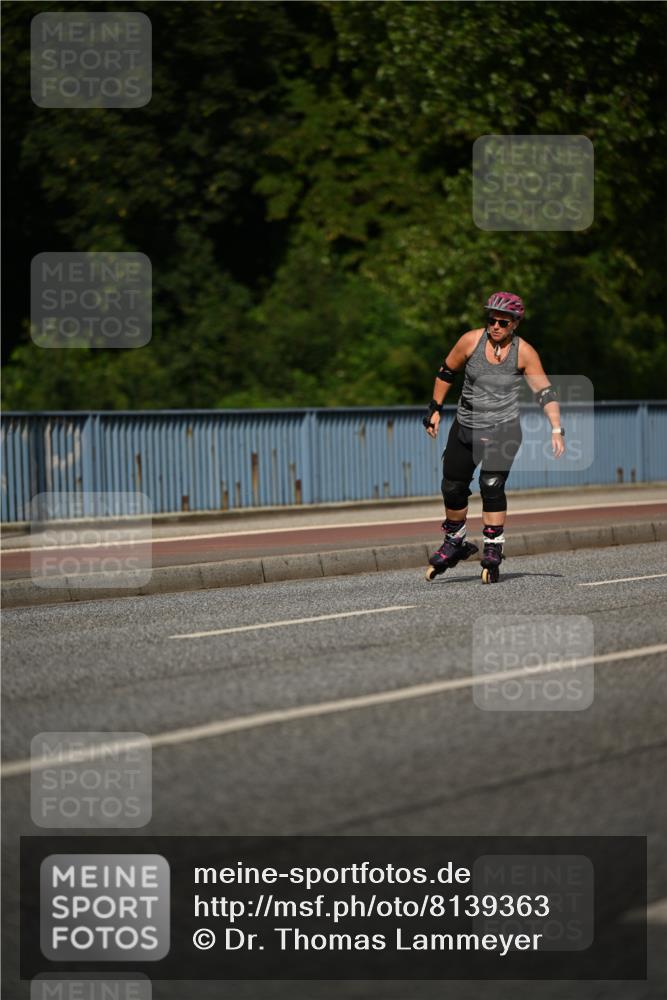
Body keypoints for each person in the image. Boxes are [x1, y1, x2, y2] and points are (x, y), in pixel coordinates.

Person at [423, 291, 565, 583]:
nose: (496, 326)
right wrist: (435, 408)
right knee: (452, 486)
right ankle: (455, 541)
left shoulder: (524, 352)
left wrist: (555, 428)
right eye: (491, 320)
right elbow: (446, 371)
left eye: (503, 322)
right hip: (466, 425)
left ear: (514, 324)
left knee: (491, 484)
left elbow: (545, 392)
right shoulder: (470, 341)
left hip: (503, 429)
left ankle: (493, 548)